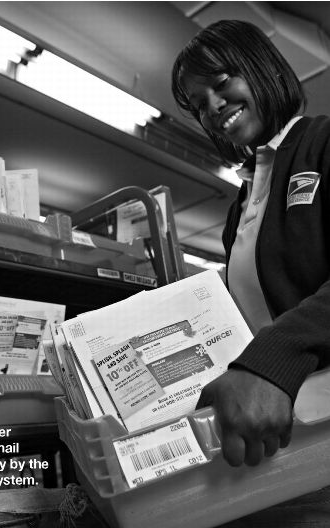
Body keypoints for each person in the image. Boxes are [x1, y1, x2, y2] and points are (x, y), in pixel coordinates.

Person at [171, 19, 330, 526]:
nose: (213, 108)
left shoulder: (324, 143)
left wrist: (274, 358)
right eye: (199, 105)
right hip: (295, 431)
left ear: (262, 70)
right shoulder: (242, 206)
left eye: (221, 84)